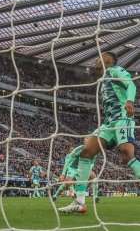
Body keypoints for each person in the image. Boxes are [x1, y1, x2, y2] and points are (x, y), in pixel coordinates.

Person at [59, 51, 140, 213]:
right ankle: (79, 202)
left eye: (99, 57)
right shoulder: (103, 79)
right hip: (108, 124)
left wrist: (130, 101)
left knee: (126, 155)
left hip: (122, 119)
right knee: (86, 152)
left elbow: (130, 84)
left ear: (108, 59)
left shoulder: (116, 70)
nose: (96, 59)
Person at [53, 138, 99, 203]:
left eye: (89, 142)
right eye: (86, 142)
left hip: (84, 168)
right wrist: (63, 174)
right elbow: (68, 161)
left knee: (94, 177)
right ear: (84, 142)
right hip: (73, 168)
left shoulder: (94, 151)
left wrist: (86, 172)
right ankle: (55, 195)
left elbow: (92, 163)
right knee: (68, 183)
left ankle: (96, 197)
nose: (87, 143)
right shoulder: (78, 149)